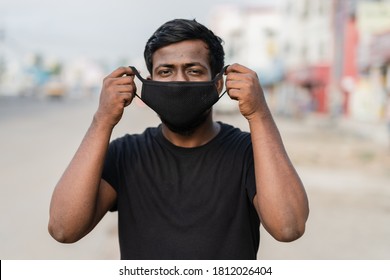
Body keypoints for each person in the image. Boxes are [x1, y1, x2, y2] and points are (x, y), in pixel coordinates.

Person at [48, 19, 309, 260]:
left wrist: (259, 114)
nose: (179, 81)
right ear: (148, 84)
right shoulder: (126, 154)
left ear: (218, 84)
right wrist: (102, 121)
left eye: (194, 71)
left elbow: (288, 227)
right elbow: (63, 229)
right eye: (166, 72)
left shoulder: (248, 153)